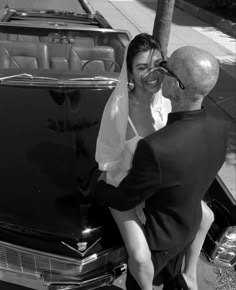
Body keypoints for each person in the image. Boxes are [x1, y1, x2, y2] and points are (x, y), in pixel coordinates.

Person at [95, 37, 226, 290]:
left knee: (206, 216)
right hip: (129, 182)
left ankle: (190, 276)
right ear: (130, 72)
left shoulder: (168, 100)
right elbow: (109, 158)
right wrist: (104, 184)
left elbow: (176, 151)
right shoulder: (118, 111)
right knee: (142, 257)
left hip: (157, 182)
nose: (154, 74)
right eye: (142, 67)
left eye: (158, 65)